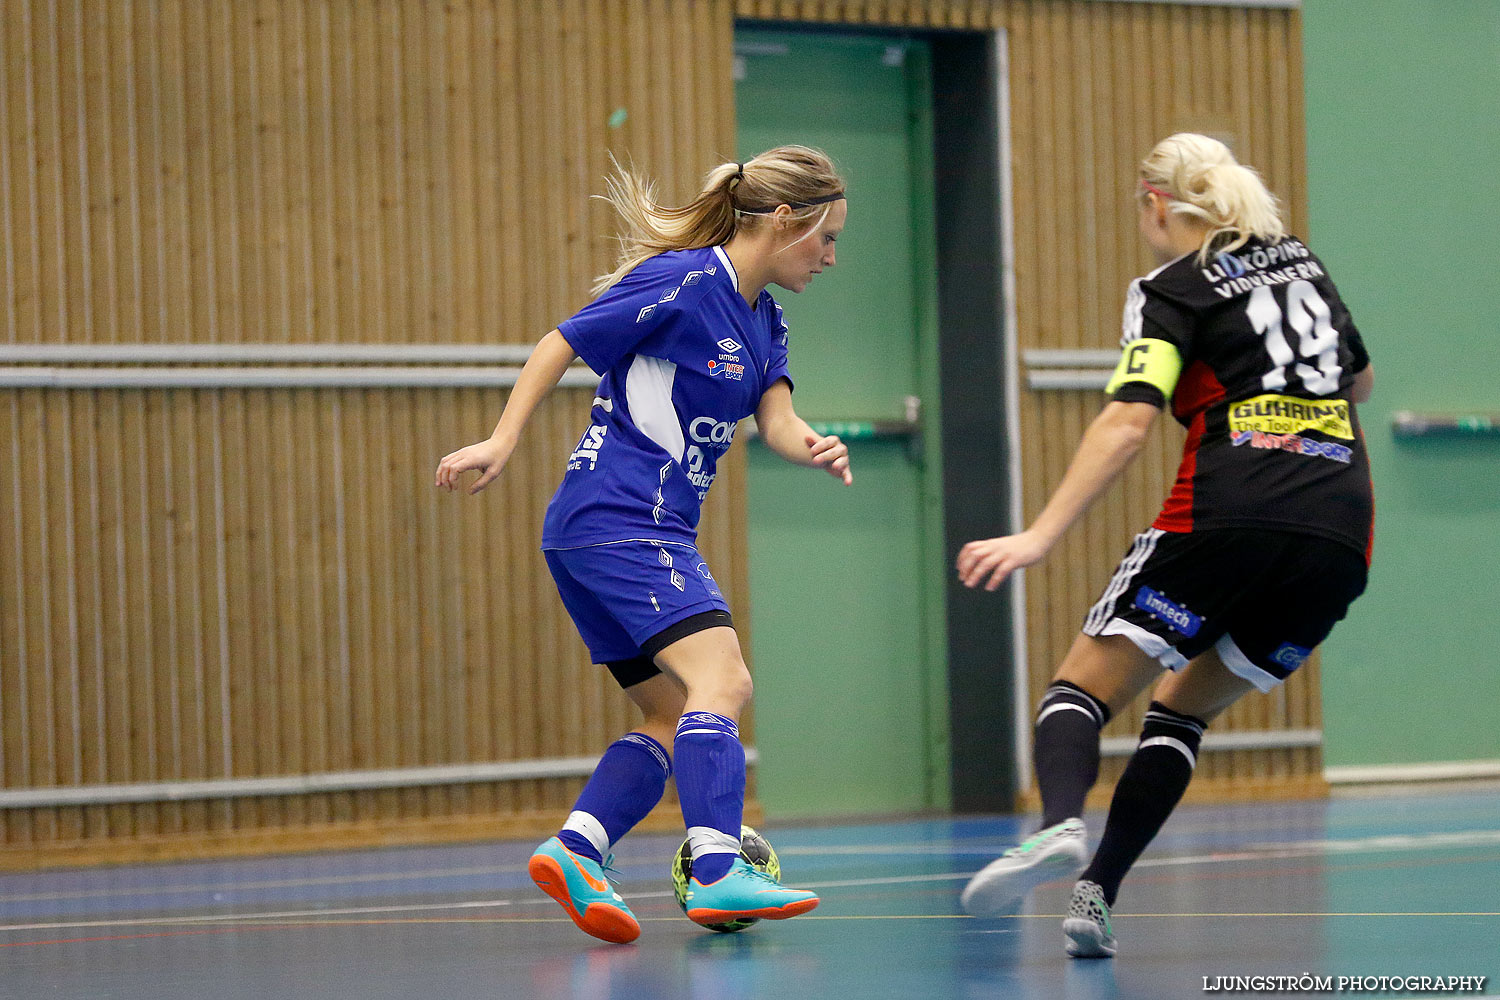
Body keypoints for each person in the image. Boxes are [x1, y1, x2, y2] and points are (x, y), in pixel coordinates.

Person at [955, 133, 1374, 958]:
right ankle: (1095, 899)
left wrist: (1039, 534)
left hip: (1227, 509)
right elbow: (1357, 380)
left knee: (1079, 689)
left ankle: (1058, 827)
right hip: (1339, 531)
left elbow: (1128, 420)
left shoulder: (1169, 288)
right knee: (1182, 709)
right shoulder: (1304, 265)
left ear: (1155, 203)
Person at [435, 146, 852, 944]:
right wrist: (500, 440)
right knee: (722, 680)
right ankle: (718, 871)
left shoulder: (766, 320)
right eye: (825, 238)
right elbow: (562, 341)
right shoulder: (685, 281)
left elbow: (776, 422)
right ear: (784, 220)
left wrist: (814, 446)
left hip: (604, 534)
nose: (831, 258)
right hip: (622, 520)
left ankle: (578, 848)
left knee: (669, 714)